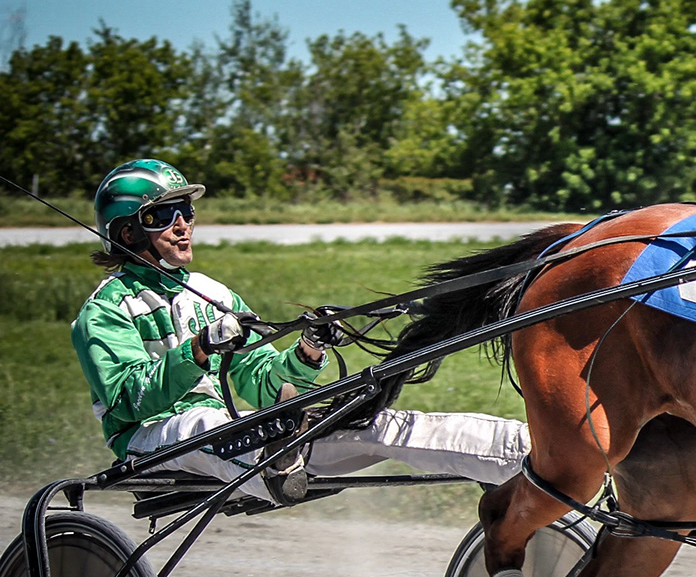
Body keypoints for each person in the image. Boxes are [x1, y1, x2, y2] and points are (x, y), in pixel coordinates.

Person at [72, 159, 529, 500]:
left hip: (238, 432)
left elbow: (262, 382)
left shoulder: (213, 294)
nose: (182, 226)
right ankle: (275, 452)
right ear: (127, 233)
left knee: (375, 423)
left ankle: (524, 453)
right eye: (162, 216)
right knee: (204, 422)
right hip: (153, 439)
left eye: (186, 211)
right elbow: (130, 400)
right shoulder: (103, 312)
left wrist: (308, 351)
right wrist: (199, 347)